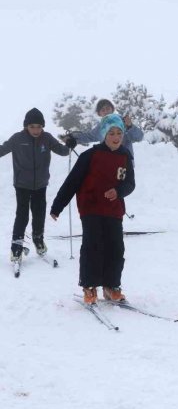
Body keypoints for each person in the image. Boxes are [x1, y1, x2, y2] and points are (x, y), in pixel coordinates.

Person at [50, 114, 135, 305]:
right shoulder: (90, 155)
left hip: (114, 210)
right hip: (91, 208)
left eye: (119, 133)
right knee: (93, 246)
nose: (115, 137)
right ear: (104, 134)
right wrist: (58, 206)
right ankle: (89, 286)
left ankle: (111, 286)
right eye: (111, 133)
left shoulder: (125, 156)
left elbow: (130, 183)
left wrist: (119, 191)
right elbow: (72, 182)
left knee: (116, 248)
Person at [0, 108, 73, 263]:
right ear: (26, 126)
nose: (36, 130)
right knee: (22, 215)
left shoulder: (46, 138)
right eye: (32, 126)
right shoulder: (17, 138)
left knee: (39, 214)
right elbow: (2, 149)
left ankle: (38, 240)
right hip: (22, 185)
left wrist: (70, 144)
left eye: (39, 126)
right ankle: (16, 247)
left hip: (41, 185)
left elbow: (62, 151)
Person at [64, 99, 143, 158]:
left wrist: (130, 126)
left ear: (112, 109)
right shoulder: (101, 127)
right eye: (103, 110)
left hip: (125, 164)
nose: (106, 111)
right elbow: (89, 136)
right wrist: (72, 137)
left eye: (108, 108)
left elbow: (139, 137)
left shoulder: (123, 122)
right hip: (106, 163)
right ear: (99, 113)